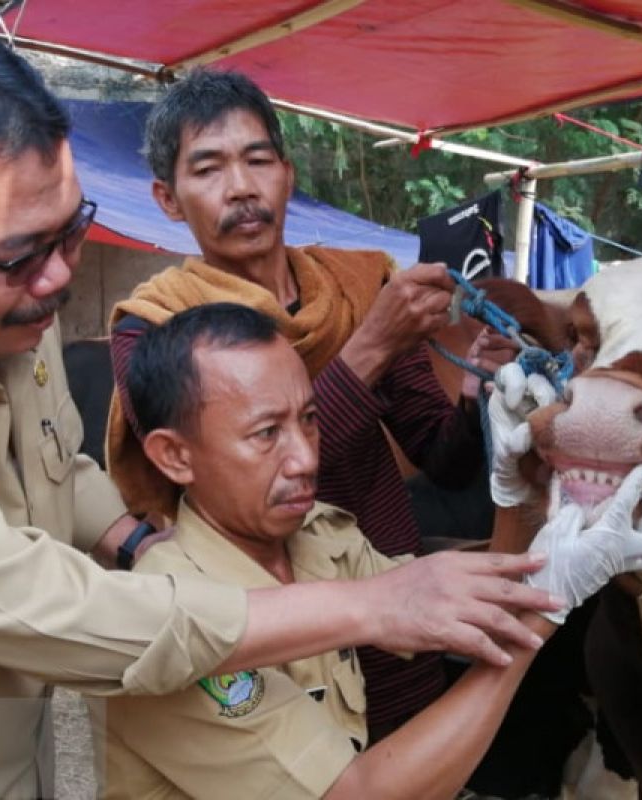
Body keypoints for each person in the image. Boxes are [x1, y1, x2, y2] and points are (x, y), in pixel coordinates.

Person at [0, 17, 564, 798]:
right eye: (19, 255)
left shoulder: (6, 311)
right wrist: (373, 606)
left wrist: (143, 540)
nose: (57, 279)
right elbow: (65, 618)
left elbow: (56, 465)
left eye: (70, 229)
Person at [102, 302, 642, 799]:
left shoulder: (319, 537)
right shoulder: (169, 626)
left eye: (310, 420)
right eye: (266, 434)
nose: (305, 459)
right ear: (175, 457)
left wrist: (518, 491)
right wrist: (545, 612)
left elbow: (474, 619)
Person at [106, 67, 519, 740]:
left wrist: (474, 392)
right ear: (168, 198)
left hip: (396, 605)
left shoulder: (356, 285)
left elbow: (442, 462)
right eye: (207, 169)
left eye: (257, 160)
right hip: (268, 633)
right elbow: (238, 491)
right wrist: (370, 346)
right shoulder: (153, 329)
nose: (241, 188)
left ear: (287, 174)